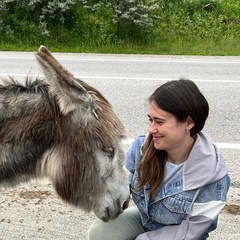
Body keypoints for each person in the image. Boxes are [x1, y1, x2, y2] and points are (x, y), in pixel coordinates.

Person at [88, 79, 230, 240]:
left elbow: (190, 231)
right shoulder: (141, 147)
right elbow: (119, 185)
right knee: (101, 233)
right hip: (147, 220)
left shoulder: (213, 176)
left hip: (182, 236)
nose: (151, 129)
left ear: (188, 123)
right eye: (150, 119)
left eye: (159, 122)